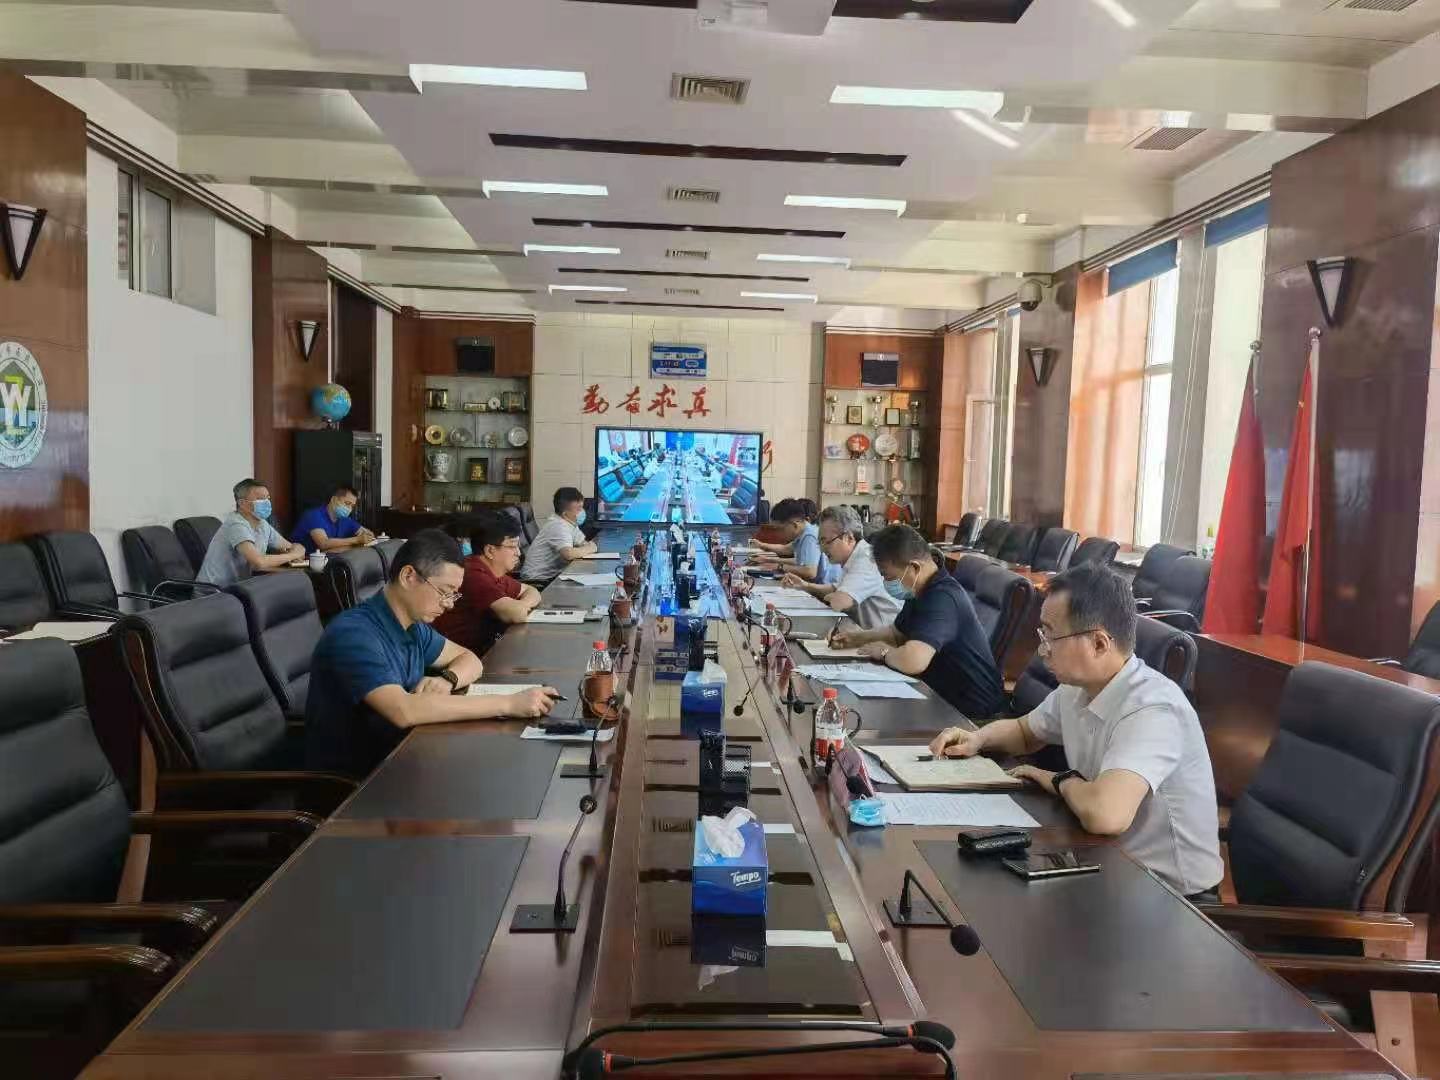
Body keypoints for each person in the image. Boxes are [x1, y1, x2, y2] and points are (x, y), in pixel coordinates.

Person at [928, 563, 1223, 900]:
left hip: (1170, 896)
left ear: (1099, 644)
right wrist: (978, 738)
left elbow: (1105, 815)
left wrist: (1060, 780)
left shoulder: (1153, 709)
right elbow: (1025, 732)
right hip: (1106, 861)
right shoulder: (1078, 688)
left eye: (1051, 636)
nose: (1042, 649)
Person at [306, 529, 558, 778]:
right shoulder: (354, 634)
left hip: (405, 756)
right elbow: (403, 710)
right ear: (409, 576)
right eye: (444, 592)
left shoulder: (413, 626)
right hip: (358, 782)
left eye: (453, 594)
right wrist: (509, 703)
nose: (449, 604)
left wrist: (448, 679)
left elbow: (470, 660)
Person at [833, 524, 1003, 719]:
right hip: (938, 698)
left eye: (887, 575)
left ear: (914, 567)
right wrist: (856, 638)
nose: (886, 582)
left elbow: (913, 661)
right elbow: (897, 634)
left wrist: (885, 652)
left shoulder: (943, 598)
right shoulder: (920, 589)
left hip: (972, 716)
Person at [433, 512, 542, 654]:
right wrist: (521, 607)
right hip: (462, 656)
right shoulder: (473, 574)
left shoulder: (492, 571)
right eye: (512, 547)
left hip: (488, 647)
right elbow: (517, 614)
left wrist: (522, 605)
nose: (518, 553)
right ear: (490, 550)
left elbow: (532, 591)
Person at [780, 505, 898, 629]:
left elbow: (839, 602)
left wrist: (835, 596)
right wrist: (804, 585)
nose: (822, 549)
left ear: (849, 538)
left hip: (884, 636)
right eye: (820, 542)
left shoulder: (866, 560)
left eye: (827, 541)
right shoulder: (853, 557)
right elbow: (835, 589)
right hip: (864, 630)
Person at [196, 478, 304, 587]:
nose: (267, 503)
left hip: (237, 588)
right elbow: (258, 563)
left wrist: (296, 550)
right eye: (260, 499)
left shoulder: (262, 524)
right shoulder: (236, 524)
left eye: (268, 498)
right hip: (213, 592)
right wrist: (293, 555)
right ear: (242, 503)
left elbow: (291, 547)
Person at [519, 486, 596, 583]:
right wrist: (590, 548)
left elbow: (583, 543)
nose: (582, 512)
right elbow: (568, 554)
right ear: (564, 514)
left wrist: (587, 547)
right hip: (537, 580)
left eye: (582, 507)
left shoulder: (571, 523)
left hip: (551, 576)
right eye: (578, 509)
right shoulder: (557, 525)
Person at [751, 500, 823, 582]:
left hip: (819, 587)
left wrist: (779, 566)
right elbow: (786, 549)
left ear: (794, 525)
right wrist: (762, 546)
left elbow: (810, 572)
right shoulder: (802, 534)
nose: (778, 534)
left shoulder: (809, 536)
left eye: (780, 529)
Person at [291, 485, 376, 555]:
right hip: (300, 563)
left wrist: (366, 537)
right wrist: (356, 540)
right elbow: (324, 544)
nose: (349, 509)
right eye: (347, 503)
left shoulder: (345, 520)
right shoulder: (313, 515)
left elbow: (368, 534)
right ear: (334, 500)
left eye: (352, 506)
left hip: (328, 561)